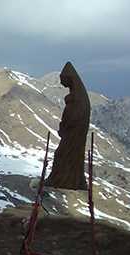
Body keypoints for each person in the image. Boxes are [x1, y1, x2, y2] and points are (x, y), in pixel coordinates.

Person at [44, 62, 90, 190]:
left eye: (63, 80)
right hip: (71, 132)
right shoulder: (76, 95)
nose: (61, 83)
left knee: (63, 154)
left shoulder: (77, 98)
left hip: (73, 133)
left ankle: (64, 180)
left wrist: (65, 126)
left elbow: (76, 116)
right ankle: (64, 179)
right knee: (63, 154)